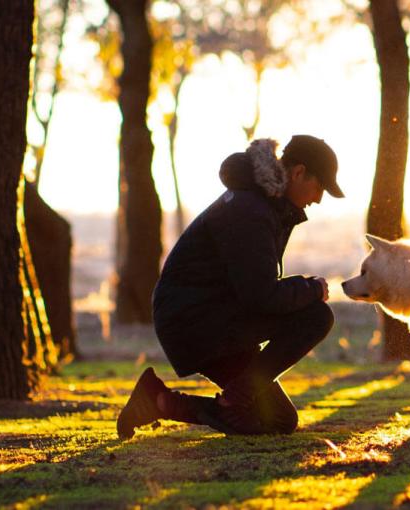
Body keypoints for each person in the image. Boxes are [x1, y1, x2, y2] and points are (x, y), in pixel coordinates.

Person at [116, 135, 343, 438]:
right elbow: (260, 296)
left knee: (278, 421)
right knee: (316, 316)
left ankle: (158, 401)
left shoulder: (265, 205)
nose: (317, 199)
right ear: (298, 172)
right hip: (195, 322)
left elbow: (254, 287)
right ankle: (233, 400)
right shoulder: (251, 210)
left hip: (211, 318)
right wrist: (311, 289)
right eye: (319, 188)